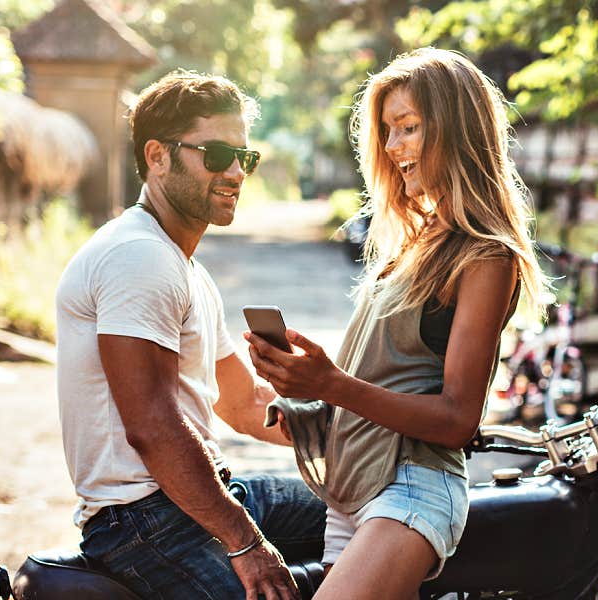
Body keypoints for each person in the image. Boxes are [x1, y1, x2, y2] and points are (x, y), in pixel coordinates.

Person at [247, 48, 549, 600]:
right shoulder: (407, 247)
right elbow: (383, 386)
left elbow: (459, 419)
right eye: (387, 132)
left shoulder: (485, 256)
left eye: (408, 128)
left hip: (411, 489)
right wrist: (309, 398)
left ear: (457, 131)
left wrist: (330, 384)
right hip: (353, 490)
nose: (392, 148)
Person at [55, 71, 324, 600]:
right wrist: (247, 545)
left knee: (370, 519)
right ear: (157, 156)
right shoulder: (139, 257)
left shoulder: (184, 267)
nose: (236, 173)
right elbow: (153, 427)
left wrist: (356, 425)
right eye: (217, 154)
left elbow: (243, 403)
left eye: (245, 158)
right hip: (143, 520)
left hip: (205, 492)